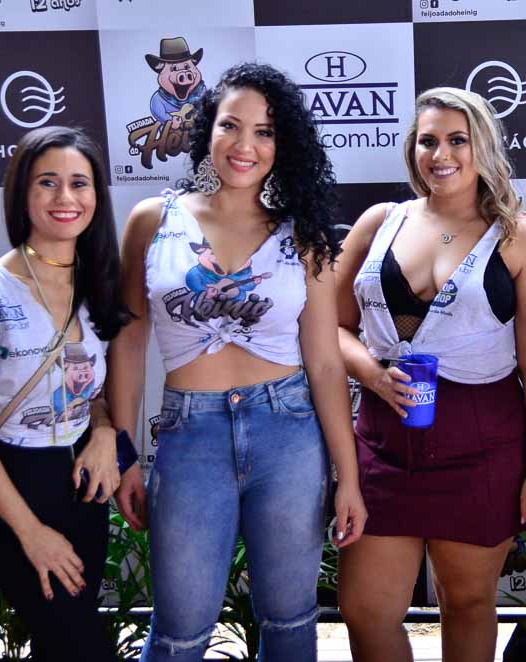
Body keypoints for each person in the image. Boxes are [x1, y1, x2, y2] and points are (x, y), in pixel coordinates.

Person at [108, 63, 366, 662]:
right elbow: (127, 344)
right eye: (231, 125)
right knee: (178, 632)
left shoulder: (302, 235)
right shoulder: (153, 221)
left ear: (282, 144)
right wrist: (123, 453)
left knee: (290, 622)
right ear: (207, 129)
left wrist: (347, 476)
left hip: (289, 433)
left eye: (264, 131)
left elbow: (326, 364)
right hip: (189, 435)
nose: (245, 145)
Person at [335, 87, 526, 662]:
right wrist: (373, 374)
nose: (441, 155)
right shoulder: (379, 222)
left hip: (481, 444)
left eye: (458, 140)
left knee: (467, 603)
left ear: (483, 147)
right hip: (382, 444)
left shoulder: (521, 235)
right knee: (364, 611)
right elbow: (327, 329)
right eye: (428, 141)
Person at [0, 126, 128, 661]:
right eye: (47, 182)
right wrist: (31, 533)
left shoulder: (96, 286)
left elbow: (91, 392)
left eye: (79, 183)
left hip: (84, 490)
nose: (65, 197)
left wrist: (105, 432)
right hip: (15, 488)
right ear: (22, 193)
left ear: (96, 196)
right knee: (82, 649)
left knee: (61, 645)